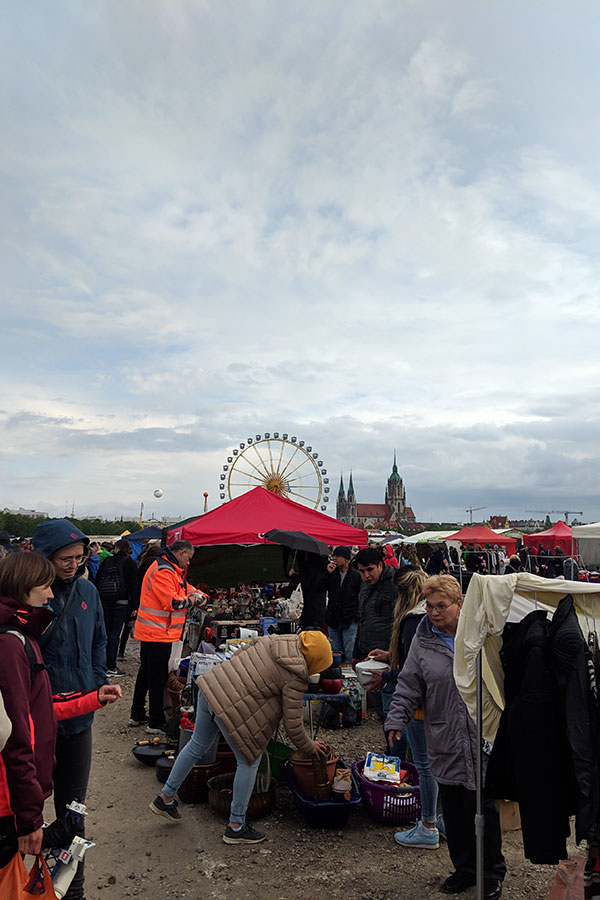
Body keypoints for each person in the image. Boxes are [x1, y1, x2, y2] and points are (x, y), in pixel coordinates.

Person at [149, 631, 333, 843]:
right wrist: (310, 747)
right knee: (249, 760)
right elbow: (293, 727)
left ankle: (166, 797)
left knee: (196, 745)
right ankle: (236, 826)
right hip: (229, 705)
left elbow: (239, 654)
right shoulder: (296, 675)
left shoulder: (275, 640)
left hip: (211, 686)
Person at [386, 575, 505, 900]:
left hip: (481, 735)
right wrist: (397, 718)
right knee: (453, 810)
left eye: (441, 606)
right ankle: (465, 869)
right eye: (429, 606)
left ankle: (492, 872)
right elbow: (409, 684)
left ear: (459, 605)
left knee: (483, 809)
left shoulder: (482, 634)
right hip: (445, 736)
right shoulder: (423, 641)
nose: (434, 613)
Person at [0, 552, 121, 869]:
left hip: (16, 794)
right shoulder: (12, 644)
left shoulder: (21, 635)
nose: (51, 593)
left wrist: (94, 697)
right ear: (25, 587)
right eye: (45, 586)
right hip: (8, 799)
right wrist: (29, 818)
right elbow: (16, 737)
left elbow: (39, 708)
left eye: (79, 557)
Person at [31, 518, 108, 900]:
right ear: (45, 557)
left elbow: (99, 640)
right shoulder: (30, 594)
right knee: (26, 812)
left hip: (79, 720)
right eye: (64, 558)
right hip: (35, 724)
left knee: (73, 811)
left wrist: (94, 681)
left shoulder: (88, 591)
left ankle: (72, 888)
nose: (73, 564)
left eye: (78, 557)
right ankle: (24, 883)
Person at [365, 566, 443, 849]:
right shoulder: (432, 615)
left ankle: (427, 827)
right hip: (438, 700)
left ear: (402, 594)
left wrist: (384, 675)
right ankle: (441, 820)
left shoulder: (413, 620)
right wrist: (390, 655)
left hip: (420, 703)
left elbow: (414, 671)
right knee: (440, 764)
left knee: (425, 766)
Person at [130, 540, 206, 733]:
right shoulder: (164, 572)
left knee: (146, 674)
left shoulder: (169, 570)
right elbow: (173, 602)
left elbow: (184, 588)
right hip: (158, 633)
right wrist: (194, 600)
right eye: (188, 558)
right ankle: (155, 722)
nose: (188, 563)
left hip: (154, 631)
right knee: (157, 677)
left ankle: (137, 712)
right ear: (181, 553)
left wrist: (198, 594)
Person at [352, 547, 397, 729]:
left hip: (388, 657)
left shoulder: (395, 585)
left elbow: (400, 622)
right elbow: (362, 620)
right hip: (369, 655)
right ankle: (389, 749)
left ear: (380, 565)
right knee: (379, 707)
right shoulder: (364, 586)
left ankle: (397, 754)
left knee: (391, 711)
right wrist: (357, 652)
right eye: (362, 571)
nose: (366, 575)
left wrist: (393, 654)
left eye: (370, 570)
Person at [95, 538, 138, 676]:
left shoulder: (107, 561)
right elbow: (133, 586)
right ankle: (111, 666)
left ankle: (100, 663)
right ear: (127, 550)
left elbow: (98, 579)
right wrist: (135, 606)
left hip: (105, 599)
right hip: (122, 601)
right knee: (115, 633)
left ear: (116, 549)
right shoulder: (130, 563)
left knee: (105, 632)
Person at [324, 547, 361, 664]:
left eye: (338, 556)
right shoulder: (333, 573)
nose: (334, 558)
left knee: (349, 653)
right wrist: (327, 574)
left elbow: (360, 597)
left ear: (346, 559)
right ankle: (337, 676)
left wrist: (356, 617)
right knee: (335, 653)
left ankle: (349, 677)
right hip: (333, 619)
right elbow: (320, 588)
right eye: (334, 556)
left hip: (350, 620)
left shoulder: (356, 576)